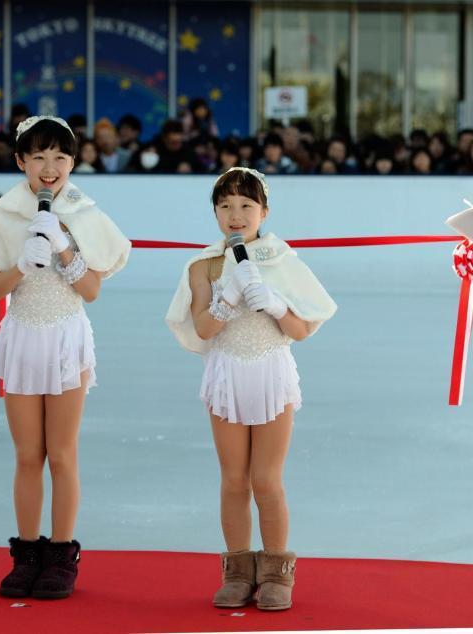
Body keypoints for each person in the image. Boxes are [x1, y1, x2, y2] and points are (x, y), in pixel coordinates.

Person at [0, 116, 131, 600]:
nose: (49, 167)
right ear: (21, 162)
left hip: (65, 339)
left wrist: (62, 247)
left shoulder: (87, 215)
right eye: (38, 156)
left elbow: (92, 290)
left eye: (60, 156)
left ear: (74, 162)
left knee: (62, 454)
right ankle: (26, 553)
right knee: (27, 454)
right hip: (22, 338)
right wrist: (20, 265)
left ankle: (61, 556)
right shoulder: (4, 215)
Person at [165, 168, 336, 611]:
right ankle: (238, 570)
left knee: (266, 479)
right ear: (215, 213)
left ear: (264, 211)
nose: (235, 215)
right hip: (227, 376)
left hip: (270, 374)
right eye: (225, 206)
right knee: (234, 480)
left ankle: (278, 573)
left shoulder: (281, 259)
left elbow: (299, 330)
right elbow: (203, 328)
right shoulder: (203, 265)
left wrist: (277, 305)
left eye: (245, 205)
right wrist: (227, 299)